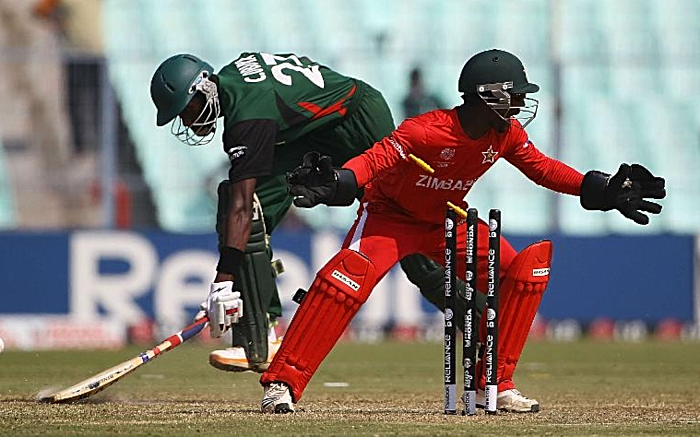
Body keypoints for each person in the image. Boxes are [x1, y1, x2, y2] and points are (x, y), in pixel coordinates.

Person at [260, 48, 666, 414]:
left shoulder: (506, 135)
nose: (523, 102)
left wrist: (600, 188)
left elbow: (542, 169)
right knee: (344, 282)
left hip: (447, 220)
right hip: (390, 218)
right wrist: (340, 182)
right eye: (516, 94)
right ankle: (282, 384)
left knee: (526, 269)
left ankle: (493, 384)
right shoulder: (425, 129)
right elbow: (377, 159)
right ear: (488, 95)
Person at [149, 52, 487, 373]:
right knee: (248, 211)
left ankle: (481, 320)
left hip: (356, 121)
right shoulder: (238, 84)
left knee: (405, 233)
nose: (187, 120)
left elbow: (242, 201)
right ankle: (260, 337)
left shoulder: (248, 115)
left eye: (186, 109)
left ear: (205, 87)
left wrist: (223, 282)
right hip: (316, 130)